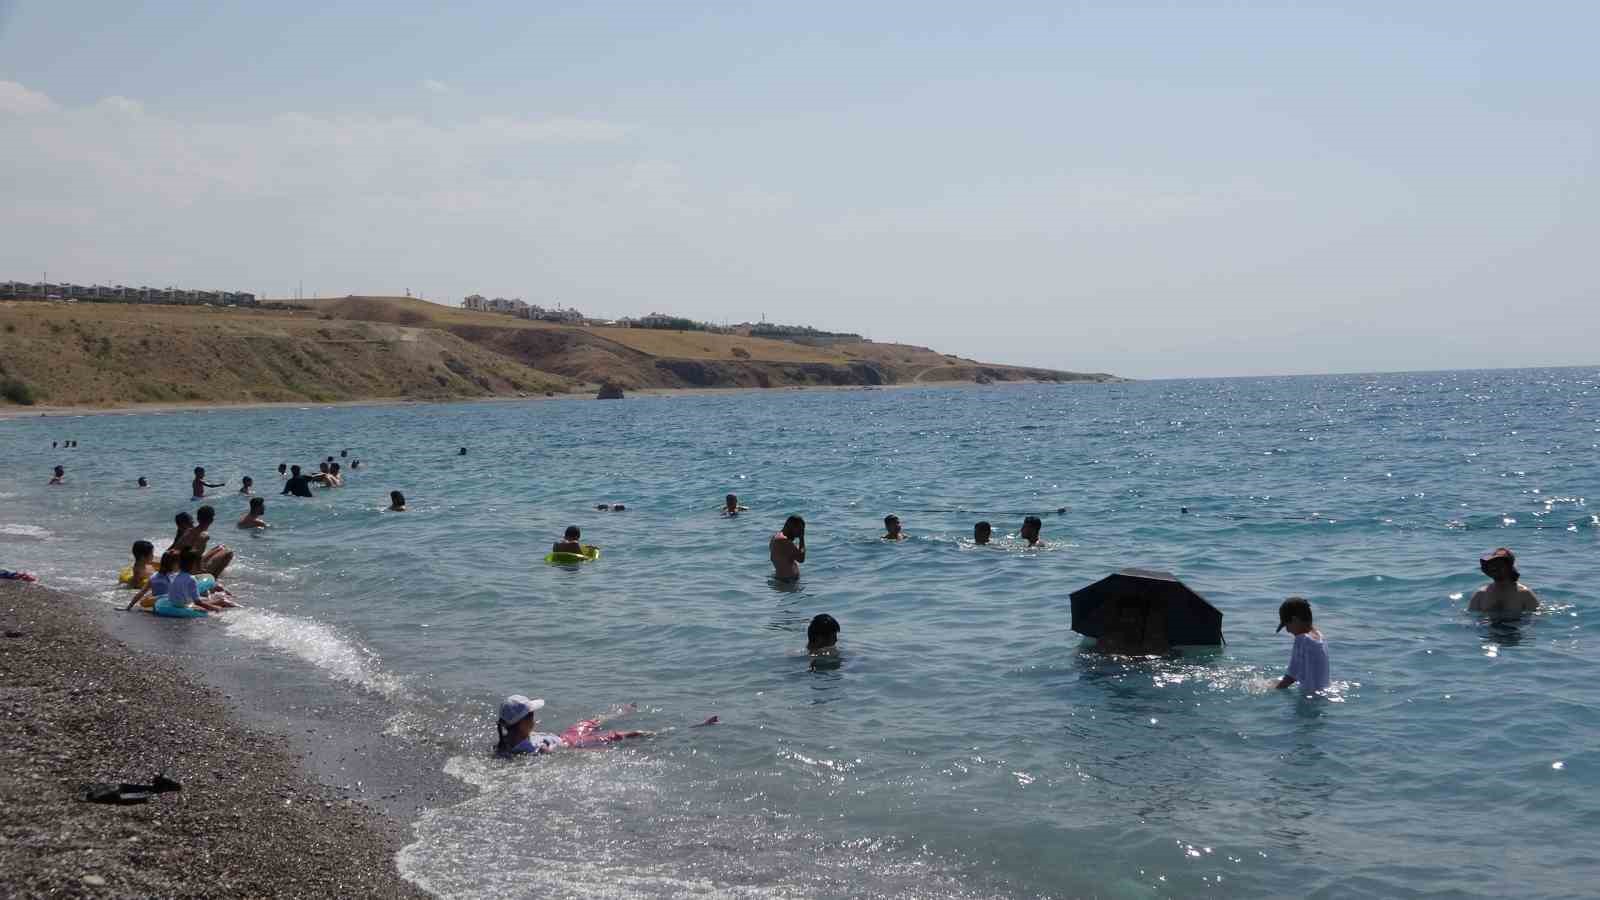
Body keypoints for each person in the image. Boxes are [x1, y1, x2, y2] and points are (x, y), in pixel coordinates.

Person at [495, 695, 652, 756]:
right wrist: (602, 751)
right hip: (573, 741)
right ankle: (656, 733)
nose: (535, 719)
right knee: (619, 735)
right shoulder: (536, 749)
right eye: (532, 716)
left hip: (566, 736)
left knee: (591, 722)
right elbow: (569, 752)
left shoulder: (506, 742)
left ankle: (622, 712)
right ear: (523, 723)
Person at [1275, 597, 1330, 693]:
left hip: (1308, 699)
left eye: (1287, 625)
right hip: (1323, 692)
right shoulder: (1321, 637)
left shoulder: (1302, 639)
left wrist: (1274, 691)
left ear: (1295, 620)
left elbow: (1291, 676)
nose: (1288, 631)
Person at [1468, 548, 1539, 615]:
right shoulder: (1480, 594)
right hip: (1487, 627)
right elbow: (1470, 619)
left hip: (1516, 626)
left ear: (1509, 567)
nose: (1494, 568)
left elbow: (1534, 621)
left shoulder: (1525, 594)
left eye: (1499, 565)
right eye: (1492, 564)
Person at [174, 506, 235, 580]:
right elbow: (195, 554)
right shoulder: (204, 535)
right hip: (192, 570)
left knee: (221, 547)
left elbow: (178, 548)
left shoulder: (189, 531)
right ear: (211, 520)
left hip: (183, 565)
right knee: (229, 553)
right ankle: (214, 578)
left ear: (198, 518)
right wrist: (200, 570)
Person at [770, 515, 806, 581]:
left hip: (783, 580)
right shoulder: (784, 542)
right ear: (792, 527)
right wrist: (802, 538)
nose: (801, 532)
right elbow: (801, 559)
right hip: (788, 582)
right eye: (800, 529)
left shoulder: (775, 538)